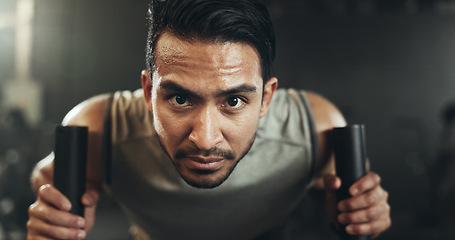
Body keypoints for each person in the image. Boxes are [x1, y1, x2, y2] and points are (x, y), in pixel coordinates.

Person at [27, 0, 391, 239]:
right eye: (181, 98)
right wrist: (54, 215)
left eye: (233, 100)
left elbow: (359, 202)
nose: (204, 138)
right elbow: (44, 178)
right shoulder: (100, 128)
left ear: (266, 98)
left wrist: (363, 212)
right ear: (148, 92)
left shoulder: (316, 128)